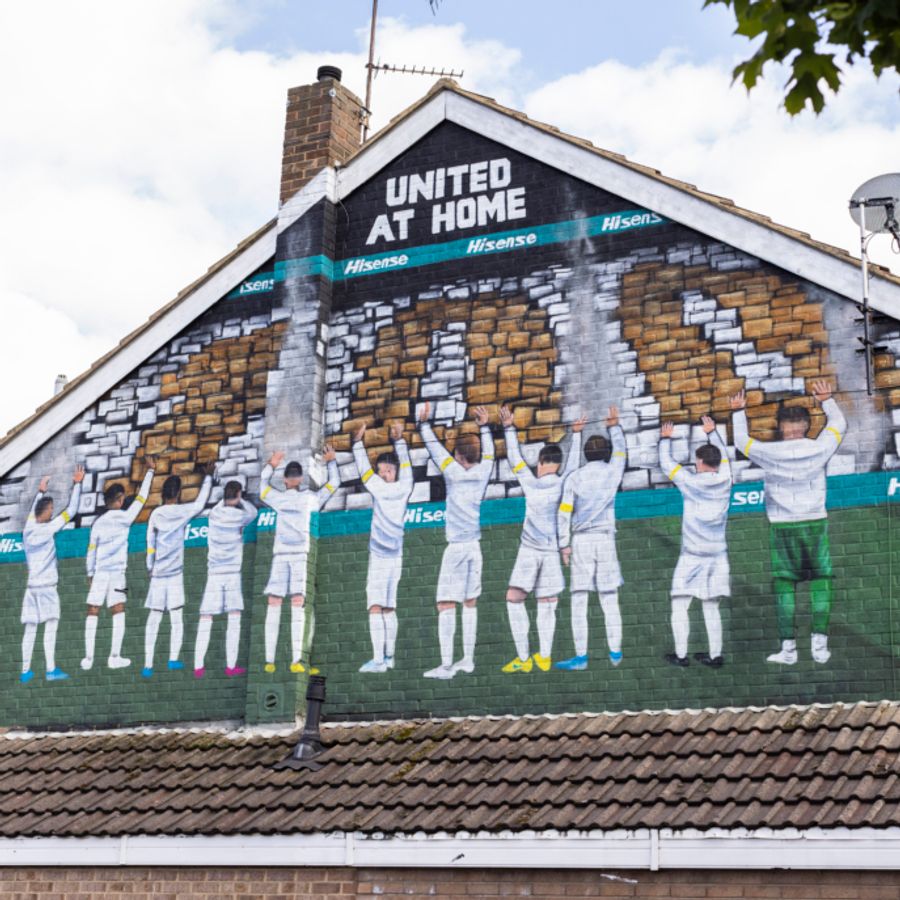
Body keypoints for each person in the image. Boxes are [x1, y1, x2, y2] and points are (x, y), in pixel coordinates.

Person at [731, 381, 846, 665]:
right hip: (816, 522)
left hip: (782, 526)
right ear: (806, 425)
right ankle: (820, 646)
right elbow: (839, 424)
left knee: (785, 586)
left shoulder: (771, 453)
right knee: (821, 582)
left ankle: (789, 649)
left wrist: (738, 410)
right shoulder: (819, 447)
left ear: (782, 427)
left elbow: (741, 441)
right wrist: (827, 400)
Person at [501, 404, 585, 673]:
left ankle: (524, 658)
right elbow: (573, 464)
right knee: (547, 603)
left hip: (529, 551)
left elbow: (514, 459)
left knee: (514, 598)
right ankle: (544, 657)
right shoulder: (564, 481)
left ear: (540, 463)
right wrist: (578, 435)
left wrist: (508, 428)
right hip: (551, 551)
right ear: (557, 465)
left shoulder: (531, 482)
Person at [417, 402, 494, 679]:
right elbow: (491, 455)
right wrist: (485, 426)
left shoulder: (453, 472)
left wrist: (424, 424)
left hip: (457, 549)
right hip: (475, 546)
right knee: (470, 602)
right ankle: (468, 660)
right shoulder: (484, 471)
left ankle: (447, 665)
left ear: (459, 456)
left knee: (445, 604)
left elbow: (435, 451)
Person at [555, 405, 626, 671]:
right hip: (606, 539)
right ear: (606, 454)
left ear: (585, 453)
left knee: (579, 599)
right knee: (609, 598)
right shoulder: (613, 472)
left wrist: (563, 544)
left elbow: (564, 514)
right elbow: (621, 452)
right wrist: (614, 426)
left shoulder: (575, 477)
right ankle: (615, 653)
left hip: (582, 540)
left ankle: (581, 656)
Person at [658, 416, 732, 667]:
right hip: (718, 555)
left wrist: (665, 439)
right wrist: (712, 433)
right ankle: (715, 655)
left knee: (680, 605)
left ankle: (681, 655)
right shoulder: (727, 480)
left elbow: (667, 463)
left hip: (692, 555)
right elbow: (727, 460)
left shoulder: (689, 481)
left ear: (699, 462)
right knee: (711, 608)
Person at [259, 446, 340, 674]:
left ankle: (269, 660)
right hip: (300, 556)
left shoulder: (278, 498)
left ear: (285, 480)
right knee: (297, 604)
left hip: (280, 555)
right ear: (300, 478)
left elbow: (262, 488)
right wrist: (331, 461)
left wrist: (271, 464)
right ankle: (296, 659)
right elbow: (334, 484)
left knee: (274, 603)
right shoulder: (310, 499)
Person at [81, 457, 155, 671]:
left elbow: (91, 550)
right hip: (117, 573)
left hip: (101, 572)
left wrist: (90, 572)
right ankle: (114, 656)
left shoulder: (97, 523)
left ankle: (88, 658)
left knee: (92, 610)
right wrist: (149, 472)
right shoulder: (125, 517)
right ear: (120, 499)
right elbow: (142, 498)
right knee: (118, 609)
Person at [353, 421, 413, 673]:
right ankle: (387, 657)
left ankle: (381, 660)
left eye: (387, 470)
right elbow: (404, 465)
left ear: (395, 472)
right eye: (381, 471)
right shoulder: (403, 486)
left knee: (379, 607)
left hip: (383, 557)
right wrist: (399, 441)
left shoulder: (387, 488)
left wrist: (357, 444)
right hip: (391, 556)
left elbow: (364, 469)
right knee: (385, 607)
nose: (382, 475)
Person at [142, 466, 213, 677]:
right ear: (178, 493)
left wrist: (149, 566)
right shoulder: (182, 512)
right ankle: (173, 658)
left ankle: (148, 664)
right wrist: (207, 477)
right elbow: (200, 504)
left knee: (153, 618)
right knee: (176, 617)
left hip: (158, 572)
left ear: (163, 494)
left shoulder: (156, 514)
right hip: (174, 573)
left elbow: (150, 543)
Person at [20, 466, 84, 683]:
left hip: (31, 588)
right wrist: (77, 484)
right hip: (47, 587)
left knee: (30, 628)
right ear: (46, 511)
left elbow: (31, 512)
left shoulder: (27, 529)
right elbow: (72, 509)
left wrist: (39, 491)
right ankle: (50, 669)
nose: (53, 511)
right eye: (51, 509)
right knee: (50, 625)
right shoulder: (49, 528)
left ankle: (26, 671)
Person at [193, 479, 258, 678]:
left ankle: (198, 666)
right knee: (234, 619)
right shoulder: (241, 516)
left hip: (213, 572)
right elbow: (254, 513)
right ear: (238, 495)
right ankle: (230, 665)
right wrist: (243, 500)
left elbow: (219, 506)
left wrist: (227, 499)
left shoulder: (214, 514)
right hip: (232, 573)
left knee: (206, 619)